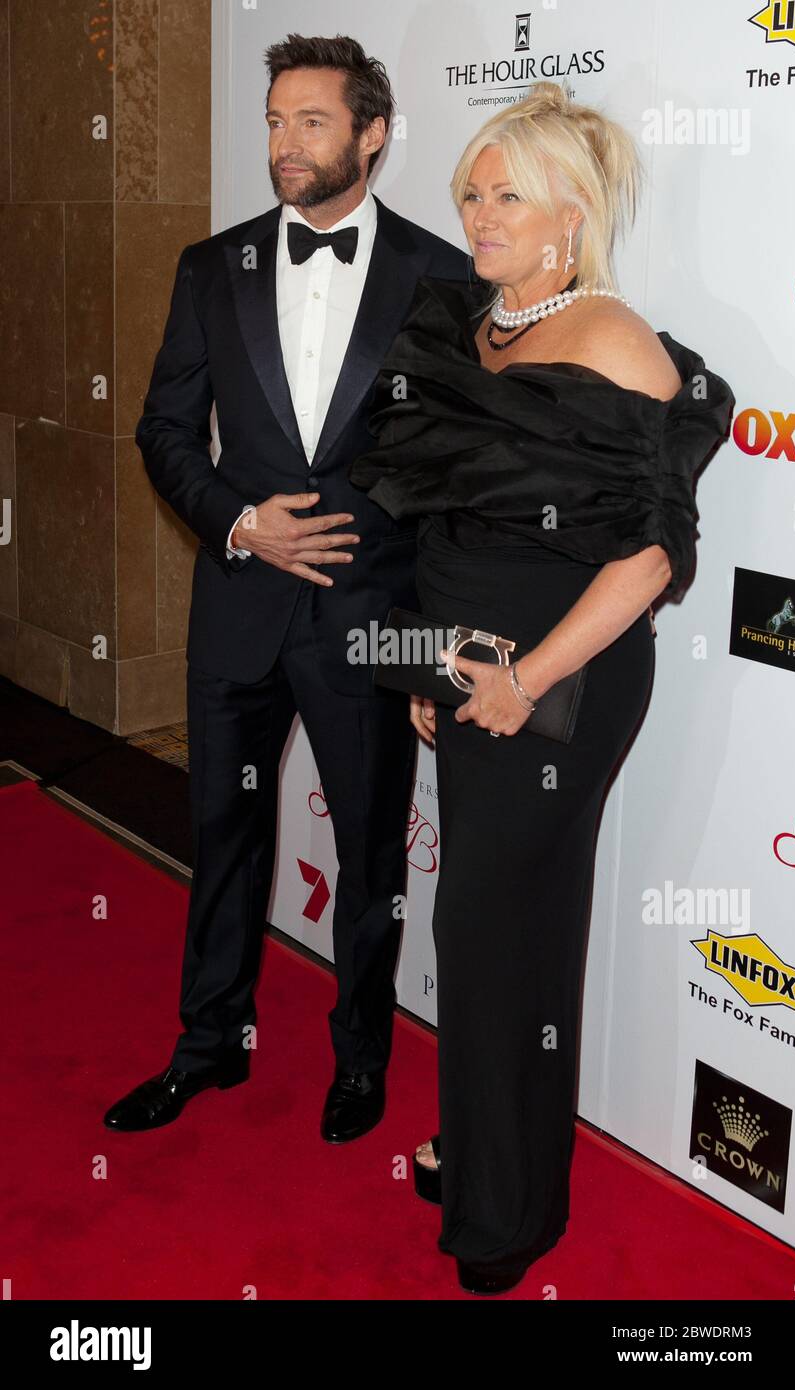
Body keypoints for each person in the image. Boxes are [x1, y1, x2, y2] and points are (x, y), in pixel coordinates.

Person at [349, 81, 735, 1295]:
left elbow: (652, 553)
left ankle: (503, 1219)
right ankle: (485, 1150)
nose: (478, 211)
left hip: (557, 676)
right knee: (488, 930)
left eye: (506, 193)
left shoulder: (615, 338)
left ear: (570, 217)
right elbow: (449, 516)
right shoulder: (474, 328)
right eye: (471, 187)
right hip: (465, 662)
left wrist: (526, 675)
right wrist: (423, 661)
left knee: (491, 928)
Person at [103, 35, 470, 1139]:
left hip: (371, 621)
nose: (283, 144)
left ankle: (360, 1058)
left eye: (311, 122)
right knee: (222, 839)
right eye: (273, 121)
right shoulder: (212, 267)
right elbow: (163, 429)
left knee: (370, 856)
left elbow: (455, 475)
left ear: (371, 134)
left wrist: (429, 649)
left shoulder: (442, 274)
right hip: (238, 609)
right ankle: (207, 1044)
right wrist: (238, 521)